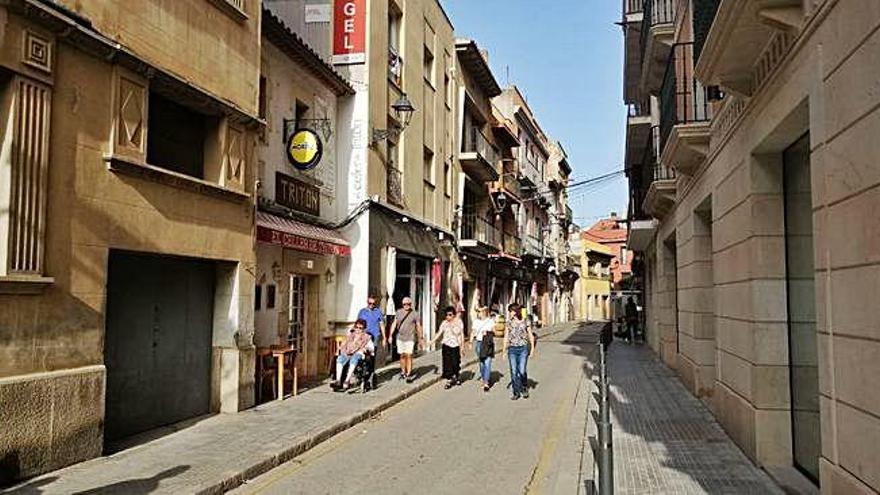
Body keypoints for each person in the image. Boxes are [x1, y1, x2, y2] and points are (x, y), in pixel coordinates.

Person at [503, 302, 536, 400]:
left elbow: (530, 334)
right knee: (513, 371)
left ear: (516, 311)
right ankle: (516, 392)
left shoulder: (526, 321)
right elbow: (506, 336)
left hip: (523, 349)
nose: (510, 313)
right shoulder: (509, 322)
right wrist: (504, 350)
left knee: (521, 371)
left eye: (511, 311)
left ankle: (524, 386)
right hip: (512, 349)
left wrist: (533, 348)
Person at [332, 319, 371, 391]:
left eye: (360, 328)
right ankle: (338, 380)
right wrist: (341, 349)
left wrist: (366, 348)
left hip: (358, 353)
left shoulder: (367, 337)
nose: (358, 329)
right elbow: (343, 344)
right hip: (347, 353)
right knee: (340, 359)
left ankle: (347, 380)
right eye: (357, 327)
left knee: (354, 359)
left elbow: (370, 347)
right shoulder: (350, 335)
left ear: (364, 329)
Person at [389, 296, 421, 383]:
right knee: (402, 355)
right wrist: (390, 335)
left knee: (409, 355)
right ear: (402, 304)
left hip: (410, 337)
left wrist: (420, 338)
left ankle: (409, 373)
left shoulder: (415, 314)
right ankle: (403, 371)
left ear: (411, 304)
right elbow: (394, 324)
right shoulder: (398, 312)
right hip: (400, 337)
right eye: (405, 304)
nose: (406, 305)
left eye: (408, 304)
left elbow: (418, 326)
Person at [433, 306, 465, 389]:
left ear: (454, 315)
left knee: (455, 363)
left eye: (450, 315)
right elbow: (439, 333)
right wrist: (431, 342)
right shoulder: (444, 323)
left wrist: (462, 347)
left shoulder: (459, 322)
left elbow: (461, 335)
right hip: (446, 345)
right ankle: (449, 380)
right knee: (447, 364)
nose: (448, 317)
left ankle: (457, 375)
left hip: (455, 345)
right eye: (447, 315)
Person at [470, 306, 496, 391]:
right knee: (482, 363)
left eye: (480, 312)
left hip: (488, 344)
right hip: (479, 343)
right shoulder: (476, 322)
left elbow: (494, 331)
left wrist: (488, 332)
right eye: (478, 312)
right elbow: (473, 332)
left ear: (484, 312)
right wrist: (470, 342)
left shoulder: (490, 321)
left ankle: (486, 382)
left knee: (487, 362)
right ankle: (484, 376)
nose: (478, 313)